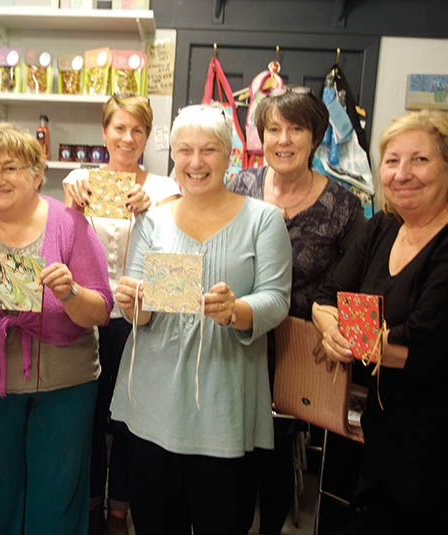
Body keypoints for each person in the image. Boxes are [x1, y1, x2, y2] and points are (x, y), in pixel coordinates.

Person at [312, 110, 448, 535]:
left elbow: (423, 341)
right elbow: (327, 296)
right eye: (392, 161)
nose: (402, 173)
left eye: (420, 160)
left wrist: (348, 338)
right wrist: (329, 327)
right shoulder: (383, 225)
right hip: (390, 427)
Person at [110, 104, 292, 534]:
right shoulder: (153, 220)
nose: (195, 162)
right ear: (172, 155)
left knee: (222, 520)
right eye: (184, 150)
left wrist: (237, 311)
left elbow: (277, 298)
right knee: (155, 521)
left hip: (223, 401)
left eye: (208, 150)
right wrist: (132, 300)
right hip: (154, 403)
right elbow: (139, 302)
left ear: (229, 154)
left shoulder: (263, 220)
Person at [0, 122, 113, 535]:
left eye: (9, 167)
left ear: (36, 172)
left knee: (58, 495)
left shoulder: (71, 224)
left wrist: (70, 292)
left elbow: (100, 309)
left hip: (64, 385)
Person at [227, 87, 364, 534]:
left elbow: (355, 286)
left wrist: (340, 332)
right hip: (237, 338)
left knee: (278, 454)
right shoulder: (239, 187)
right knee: (232, 451)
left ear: (316, 137)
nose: (283, 140)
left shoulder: (343, 207)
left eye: (296, 129)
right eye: (273, 129)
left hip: (297, 348)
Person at [62, 93, 180, 535]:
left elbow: (174, 256)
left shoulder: (166, 189)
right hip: (90, 315)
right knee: (88, 417)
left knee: (132, 418)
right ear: (104, 131)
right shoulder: (80, 181)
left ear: (148, 136)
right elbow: (65, 246)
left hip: (140, 320)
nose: (127, 138)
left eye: (138, 130)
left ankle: (120, 510)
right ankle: (91, 508)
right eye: (119, 128)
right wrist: (72, 209)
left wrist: (155, 214)